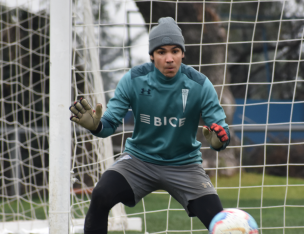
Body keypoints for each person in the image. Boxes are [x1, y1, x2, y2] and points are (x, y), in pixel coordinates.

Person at [69, 17, 230, 234]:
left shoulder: (200, 84)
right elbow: (108, 124)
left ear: (183, 53)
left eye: (175, 51)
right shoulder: (134, 79)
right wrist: (96, 126)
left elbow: (221, 131)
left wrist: (218, 141)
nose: (169, 58)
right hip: (138, 161)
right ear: (152, 55)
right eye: (162, 52)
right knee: (101, 194)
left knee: (220, 222)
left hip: (185, 165)